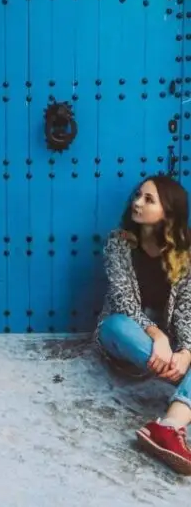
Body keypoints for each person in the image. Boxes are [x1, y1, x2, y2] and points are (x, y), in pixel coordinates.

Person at [97, 175, 191, 475]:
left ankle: (168, 426)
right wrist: (157, 335)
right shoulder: (118, 242)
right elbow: (124, 302)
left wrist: (187, 351)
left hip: (169, 349)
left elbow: (188, 310)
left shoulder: (185, 252)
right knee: (115, 325)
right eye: (138, 195)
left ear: (169, 212)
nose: (137, 202)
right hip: (127, 340)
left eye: (149, 199)